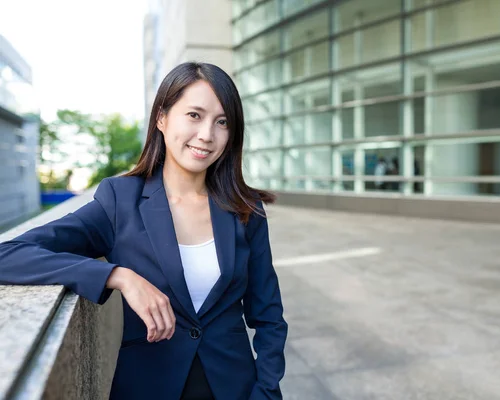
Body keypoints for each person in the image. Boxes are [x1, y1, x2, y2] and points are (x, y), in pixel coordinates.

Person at [0, 62, 287, 400]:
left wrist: (267, 392)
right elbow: (9, 255)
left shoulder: (245, 209)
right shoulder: (120, 200)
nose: (207, 134)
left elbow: (268, 316)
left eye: (222, 122)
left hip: (235, 388)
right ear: (162, 119)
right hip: (147, 386)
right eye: (194, 115)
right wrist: (117, 275)